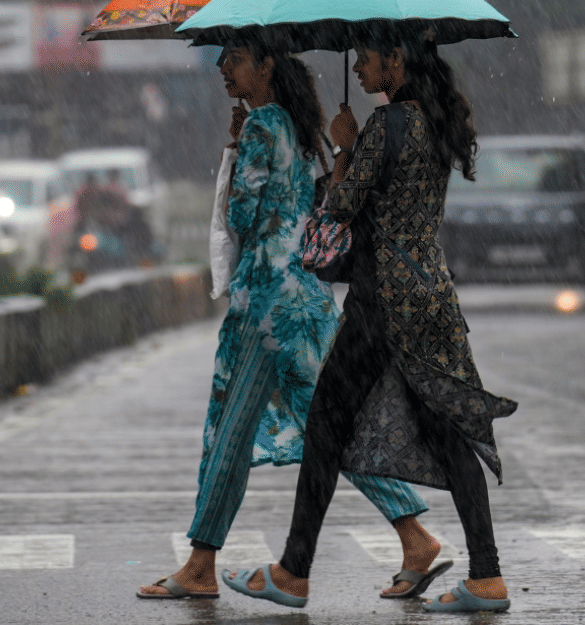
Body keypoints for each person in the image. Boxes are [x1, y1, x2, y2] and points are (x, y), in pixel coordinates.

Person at [220, 33, 518, 613]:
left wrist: (345, 149)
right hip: (431, 295)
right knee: (448, 430)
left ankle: (294, 571)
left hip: (379, 303)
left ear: (397, 61)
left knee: (326, 428)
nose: (358, 68)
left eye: (367, 59)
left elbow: (337, 207)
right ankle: (486, 576)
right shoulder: (435, 123)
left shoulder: (387, 126)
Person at [138, 41, 440, 601]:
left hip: (265, 306)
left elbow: (242, 215)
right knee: (311, 430)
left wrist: (234, 148)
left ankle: (204, 564)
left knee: (244, 430)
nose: (223, 68)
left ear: (266, 64)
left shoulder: (260, 127)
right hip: (302, 295)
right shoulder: (303, 127)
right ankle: (411, 533)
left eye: (233, 58)